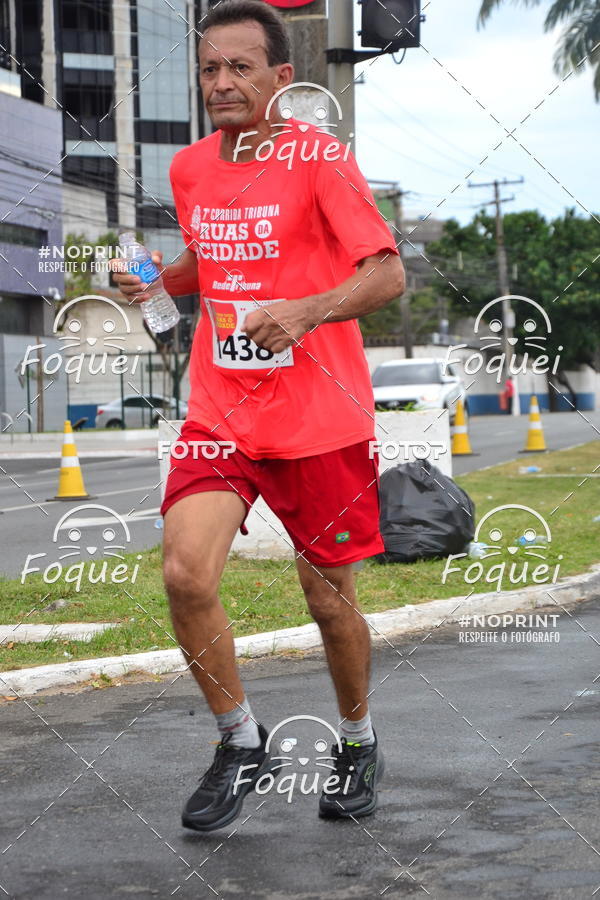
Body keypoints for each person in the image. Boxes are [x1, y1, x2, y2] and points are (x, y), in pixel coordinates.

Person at [111, 0, 405, 832]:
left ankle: (357, 738)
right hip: (222, 411)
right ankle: (240, 739)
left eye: (241, 67)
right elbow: (212, 258)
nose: (222, 82)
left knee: (327, 599)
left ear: (283, 79)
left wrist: (307, 310)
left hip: (320, 420)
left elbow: (385, 274)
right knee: (183, 574)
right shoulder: (192, 168)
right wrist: (159, 284)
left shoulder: (320, 158)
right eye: (210, 68)